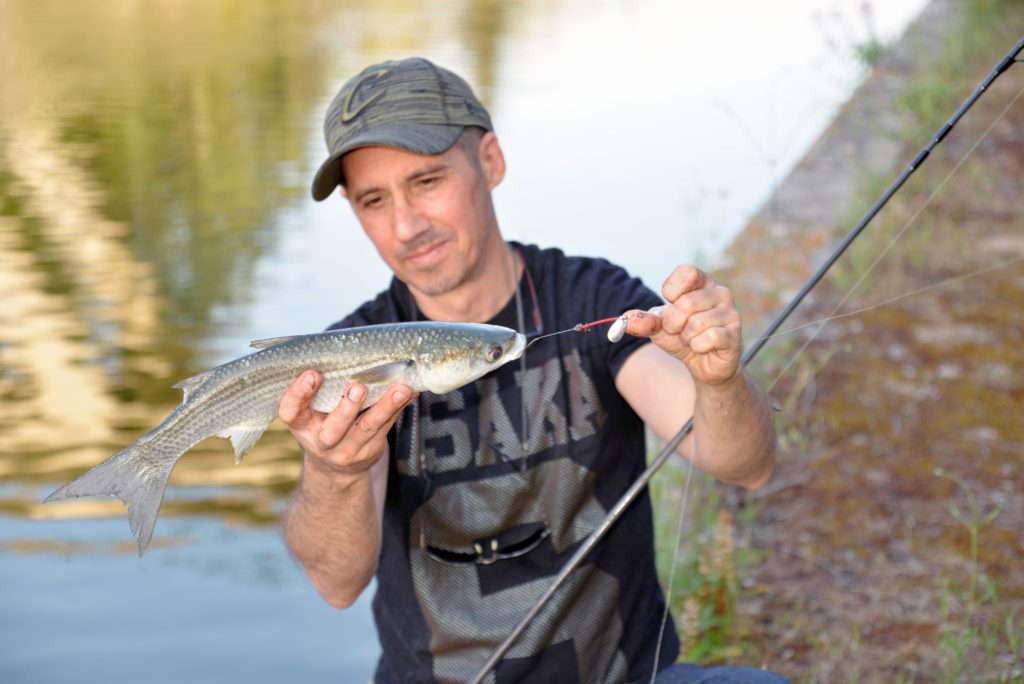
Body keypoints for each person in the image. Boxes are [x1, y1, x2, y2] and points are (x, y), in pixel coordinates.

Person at [280, 57, 786, 684]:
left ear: (490, 161)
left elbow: (746, 463)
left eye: (428, 181)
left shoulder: (592, 300)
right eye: (374, 200)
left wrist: (719, 381)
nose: (406, 226)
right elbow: (335, 583)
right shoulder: (351, 358)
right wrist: (335, 471)